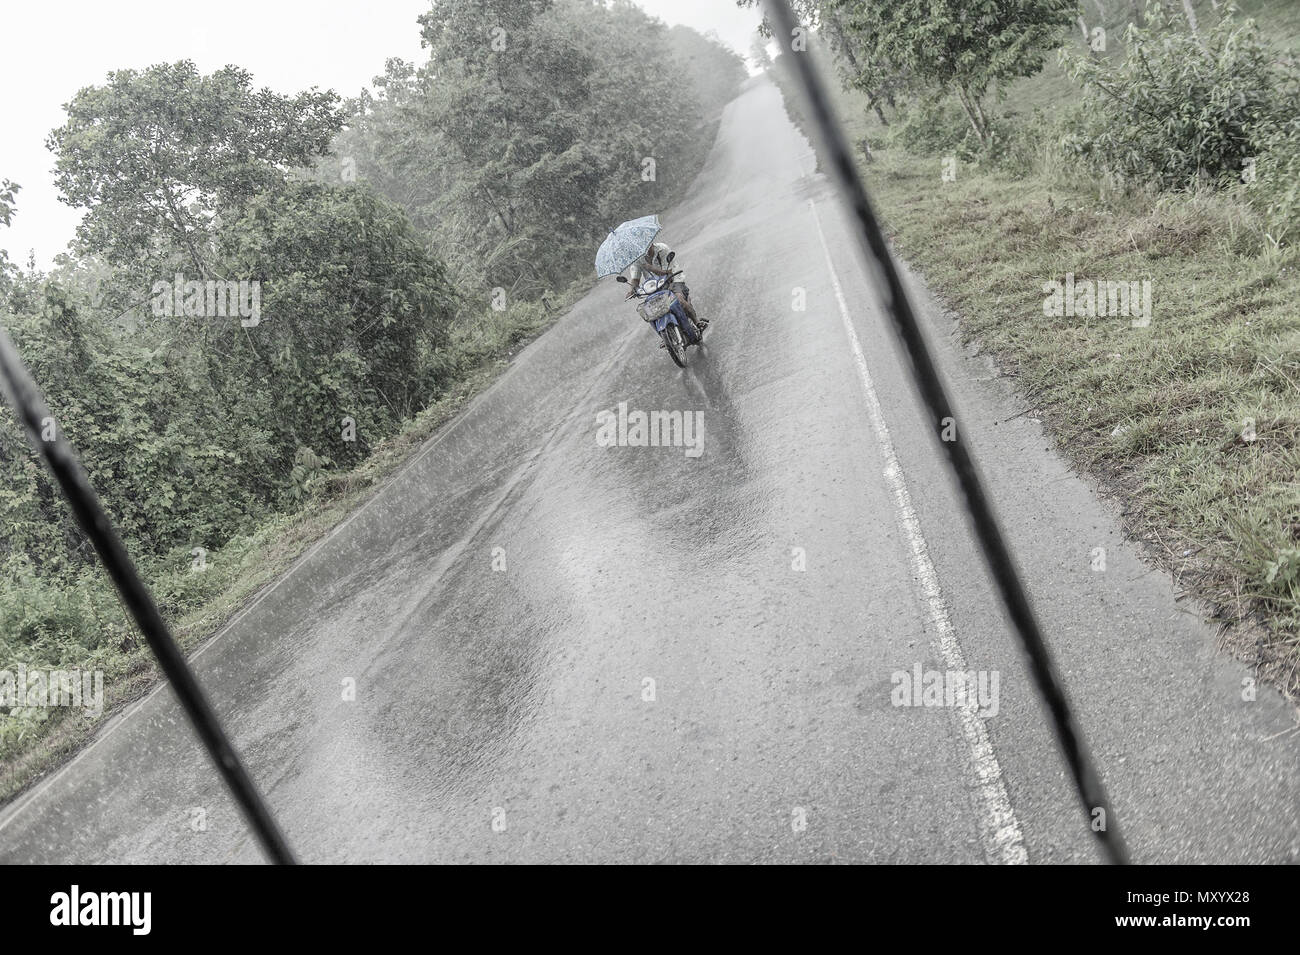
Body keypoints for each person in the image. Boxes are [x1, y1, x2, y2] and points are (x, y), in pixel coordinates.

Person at [624, 239, 707, 331]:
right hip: (654, 287)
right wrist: (632, 290)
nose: (644, 249)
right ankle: (665, 334)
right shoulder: (637, 259)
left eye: (646, 245)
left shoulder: (662, 249)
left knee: (679, 299)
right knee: (650, 311)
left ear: (651, 243)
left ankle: (697, 322)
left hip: (673, 279)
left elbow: (668, 272)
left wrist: (651, 268)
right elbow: (635, 278)